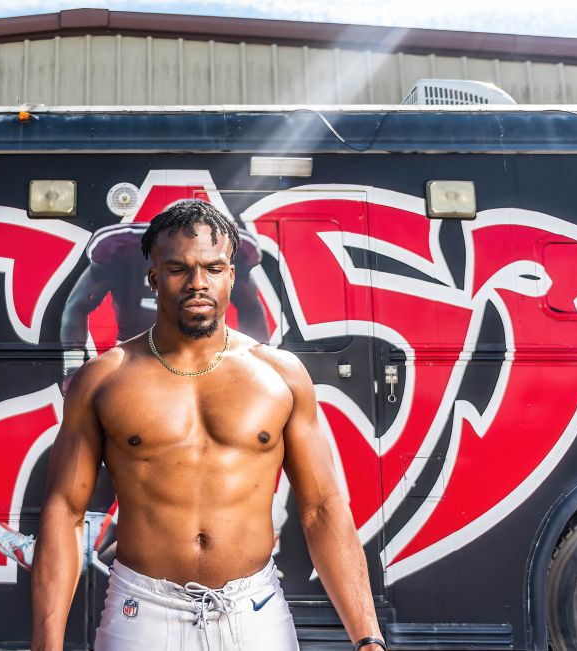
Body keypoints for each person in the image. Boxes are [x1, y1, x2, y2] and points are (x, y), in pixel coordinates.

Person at [31, 200, 386, 651]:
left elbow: (322, 508)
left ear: (230, 276)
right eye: (179, 269)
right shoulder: (105, 378)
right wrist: (46, 645)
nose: (198, 283)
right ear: (154, 277)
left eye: (213, 268)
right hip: (141, 611)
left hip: (254, 612)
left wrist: (368, 638)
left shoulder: (279, 375)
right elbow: (65, 511)